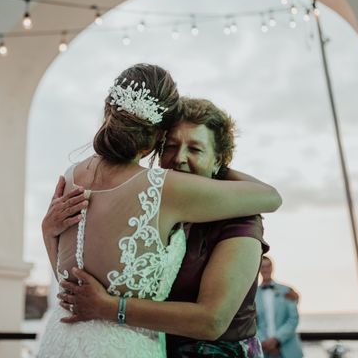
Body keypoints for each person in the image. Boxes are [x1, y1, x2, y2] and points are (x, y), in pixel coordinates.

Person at [38, 64, 281, 357]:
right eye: (172, 145)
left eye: (195, 149)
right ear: (158, 137)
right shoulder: (159, 190)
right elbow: (73, 287)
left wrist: (108, 306)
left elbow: (213, 320)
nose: (179, 158)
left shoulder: (76, 174)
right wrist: (47, 231)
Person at [255, 256, 303, 358]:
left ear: (272, 267)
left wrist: (277, 339)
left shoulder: (287, 291)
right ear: (258, 269)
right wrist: (264, 341)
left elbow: (293, 319)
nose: (265, 269)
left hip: (288, 350)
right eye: (262, 267)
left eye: (268, 266)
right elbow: (252, 322)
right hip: (264, 350)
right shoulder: (253, 295)